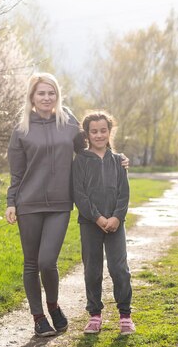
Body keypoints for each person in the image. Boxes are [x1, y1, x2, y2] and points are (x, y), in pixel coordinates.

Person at [6, 73, 130, 337]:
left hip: (61, 203)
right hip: (28, 203)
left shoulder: (69, 122)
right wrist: (11, 202)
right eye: (41, 93)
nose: (47, 98)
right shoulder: (22, 129)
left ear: (57, 95)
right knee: (31, 263)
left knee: (47, 261)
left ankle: (53, 306)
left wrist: (118, 160)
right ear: (32, 97)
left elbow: (92, 149)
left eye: (51, 92)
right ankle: (39, 317)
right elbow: (16, 173)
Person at [71, 110, 135, 336]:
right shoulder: (80, 161)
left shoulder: (119, 161)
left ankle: (125, 315)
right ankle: (95, 315)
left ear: (110, 132)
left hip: (116, 224)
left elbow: (124, 194)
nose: (99, 135)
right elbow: (80, 195)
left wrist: (117, 217)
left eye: (103, 131)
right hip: (90, 224)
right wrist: (97, 218)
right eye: (94, 131)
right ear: (87, 134)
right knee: (92, 269)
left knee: (119, 268)